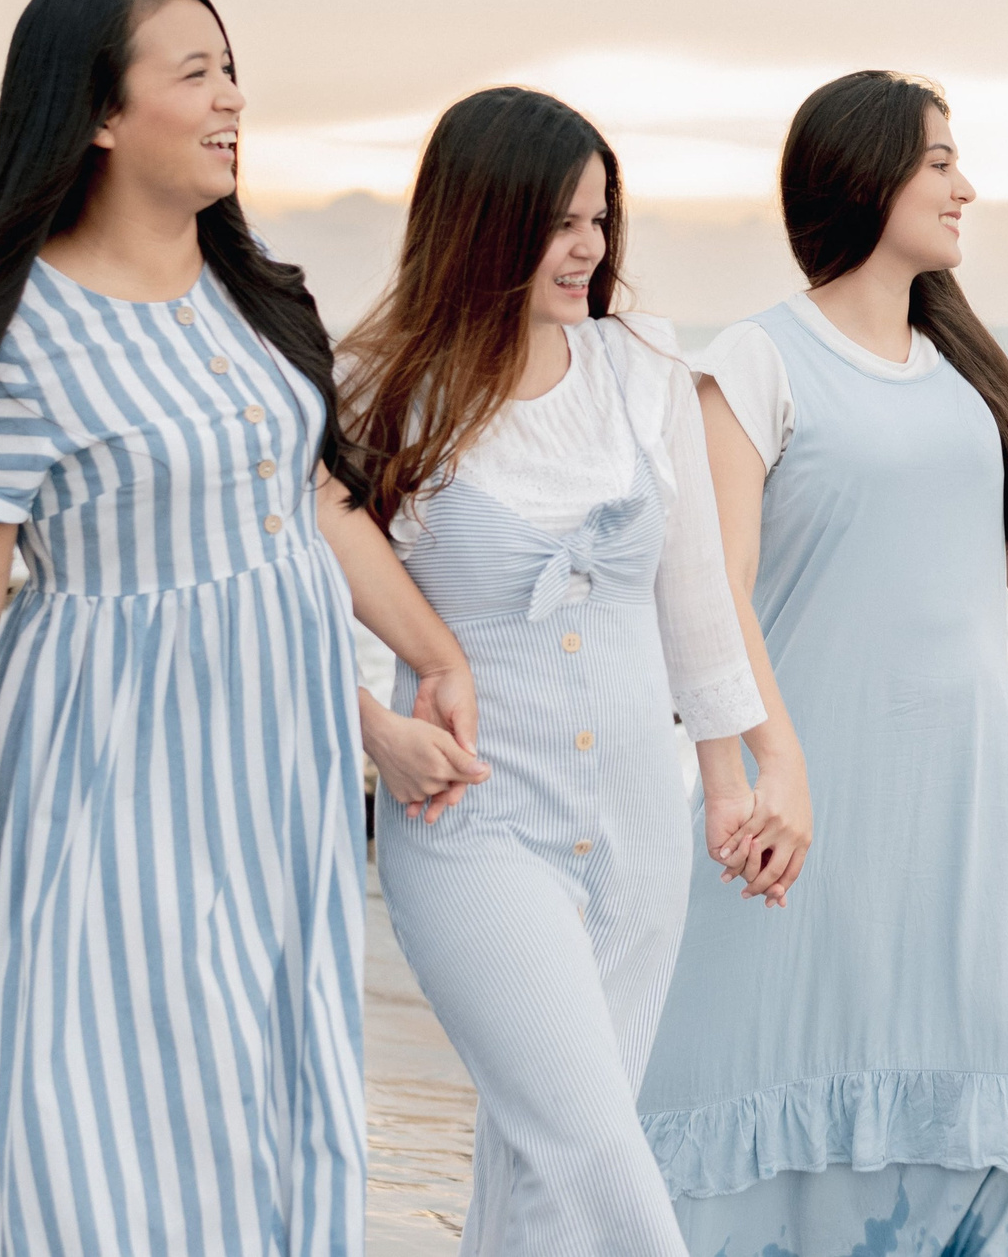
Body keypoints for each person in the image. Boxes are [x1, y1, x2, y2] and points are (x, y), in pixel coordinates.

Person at [0, 0, 487, 1256]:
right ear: (101, 114)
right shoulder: (24, 340)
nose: (232, 100)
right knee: (121, 1110)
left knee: (274, 1095)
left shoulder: (247, 295)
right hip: (110, 782)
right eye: (196, 73)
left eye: (233, 71)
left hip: (277, 787)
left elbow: (306, 508)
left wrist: (429, 662)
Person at [640, 70, 1008, 1256]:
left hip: (976, 800)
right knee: (771, 1077)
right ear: (864, 174)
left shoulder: (965, 370)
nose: (964, 185)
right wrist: (768, 763)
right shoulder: (755, 359)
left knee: (999, 1071)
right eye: (939, 161)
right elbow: (714, 585)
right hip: (805, 801)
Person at [338, 88, 813, 1256]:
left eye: (599, 218)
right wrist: (370, 729)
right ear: (480, 219)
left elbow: (694, 592)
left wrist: (728, 781)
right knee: (589, 1144)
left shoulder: (640, 364)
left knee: (542, 1160)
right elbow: (294, 600)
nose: (588, 246)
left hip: (642, 829)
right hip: (472, 823)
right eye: (557, 221)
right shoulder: (379, 390)